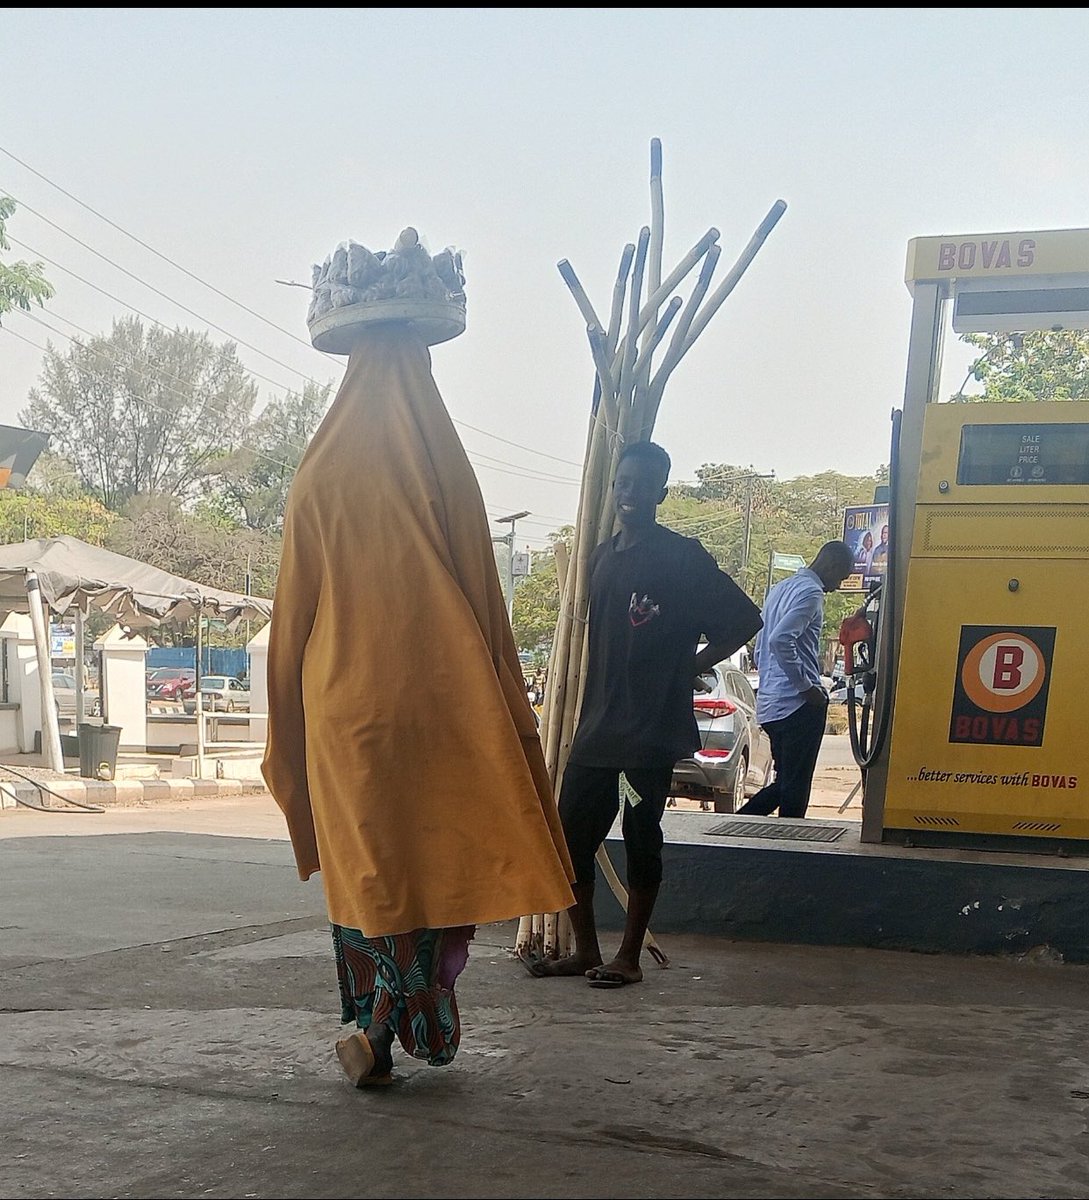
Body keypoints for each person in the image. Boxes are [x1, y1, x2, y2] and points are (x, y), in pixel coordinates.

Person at [262, 323, 575, 1088]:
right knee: (442, 859)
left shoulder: (317, 475)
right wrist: (505, 703)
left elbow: (291, 616)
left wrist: (287, 730)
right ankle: (409, 1016)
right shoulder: (444, 464)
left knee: (373, 874)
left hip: (343, 715)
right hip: (443, 707)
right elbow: (482, 598)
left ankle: (373, 1018)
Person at [524, 441, 763, 988]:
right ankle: (586, 949)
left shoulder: (682, 556)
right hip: (599, 728)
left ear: (660, 491)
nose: (629, 494)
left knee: (639, 833)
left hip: (648, 735)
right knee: (570, 839)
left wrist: (690, 665)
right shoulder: (602, 557)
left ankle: (627, 957)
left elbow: (744, 618)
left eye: (640, 484)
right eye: (621, 484)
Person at [736, 540, 855, 820]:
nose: (837, 585)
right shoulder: (811, 593)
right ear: (830, 564)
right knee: (796, 786)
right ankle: (790, 842)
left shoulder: (780, 589)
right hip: (797, 704)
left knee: (787, 782)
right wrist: (806, 687)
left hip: (771, 703)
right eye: (840, 577)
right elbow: (780, 639)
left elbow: (763, 645)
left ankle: (741, 821)